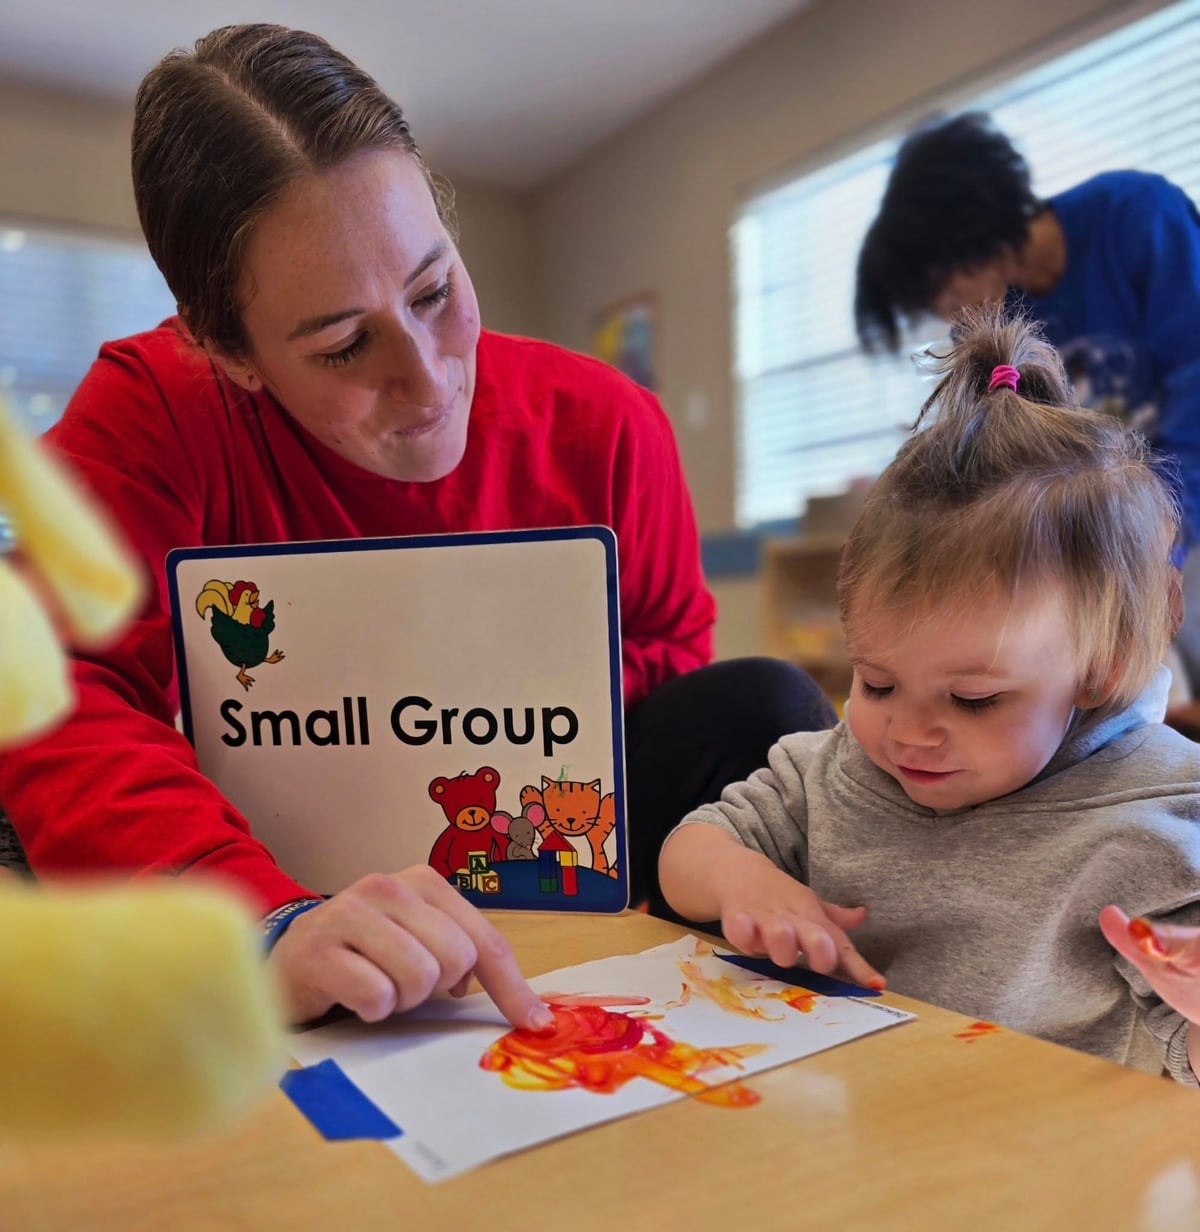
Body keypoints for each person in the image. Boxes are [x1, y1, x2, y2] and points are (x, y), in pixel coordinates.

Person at [0, 24, 833, 1028]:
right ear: (226, 351)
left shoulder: (609, 422)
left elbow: (672, 656)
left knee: (762, 702)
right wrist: (264, 922)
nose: (430, 379)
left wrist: (456, 706)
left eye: (436, 290)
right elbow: (54, 688)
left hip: (538, 832)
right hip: (285, 856)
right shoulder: (155, 410)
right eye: (346, 344)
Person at [659, 306, 1200, 1084]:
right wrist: (746, 882)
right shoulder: (836, 771)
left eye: (974, 700)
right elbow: (691, 850)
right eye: (875, 681)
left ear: (1100, 669)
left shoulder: (1159, 818)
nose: (909, 732)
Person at [854, 113, 1200, 550]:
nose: (949, 315)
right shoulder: (991, 326)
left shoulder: (1135, 216)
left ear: (972, 235)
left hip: (1181, 511)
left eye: (940, 291)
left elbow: (1196, 378)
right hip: (1110, 533)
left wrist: (1173, 539)